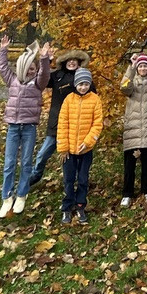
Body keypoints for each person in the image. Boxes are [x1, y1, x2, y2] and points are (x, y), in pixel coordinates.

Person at [0, 36, 53, 218]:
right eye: (27, 68)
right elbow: (2, 67)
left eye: (33, 69)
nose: (30, 71)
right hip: (13, 127)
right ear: (21, 68)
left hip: (29, 128)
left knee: (26, 162)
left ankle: (21, 195)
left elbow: (45, 74)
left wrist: (44, 58)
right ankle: (7, 197)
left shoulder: (37, 84)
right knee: (9, 163)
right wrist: (3, 50)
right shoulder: (12, 80)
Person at [30, 48, 94, 186]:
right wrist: (47, 60)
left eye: (74, 60)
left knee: (75, 157)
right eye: (68, 60)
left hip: (77, 126)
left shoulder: (84, 77)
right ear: (64, 62)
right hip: (57, 123)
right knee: (43, 154)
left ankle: (75, 182)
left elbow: (92, 97)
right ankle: (34, 176)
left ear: (79, 62)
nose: (71, 62)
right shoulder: (57, 76)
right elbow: (42, 78)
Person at [57, 67, 103, 225]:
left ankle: (80, 205)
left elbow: (97, 124)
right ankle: (67, 206)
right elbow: (62, 124)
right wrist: (63, 147)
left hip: (85, 149)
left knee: (83, 179)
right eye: (80, 84)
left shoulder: (95, 100)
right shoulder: (69, 100)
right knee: (69, 179)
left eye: (86, 84)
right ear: (75, 84)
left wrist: (88, 142)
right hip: (69, 149)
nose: (83, 87)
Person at [120, 53, 147, 207]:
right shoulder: (132, 82)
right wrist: (131, 67)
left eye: (145, 66)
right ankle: (127, 193)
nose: (143, 68)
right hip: (133, 130)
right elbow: (124, 87)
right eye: (141, 66)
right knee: (129, 165)